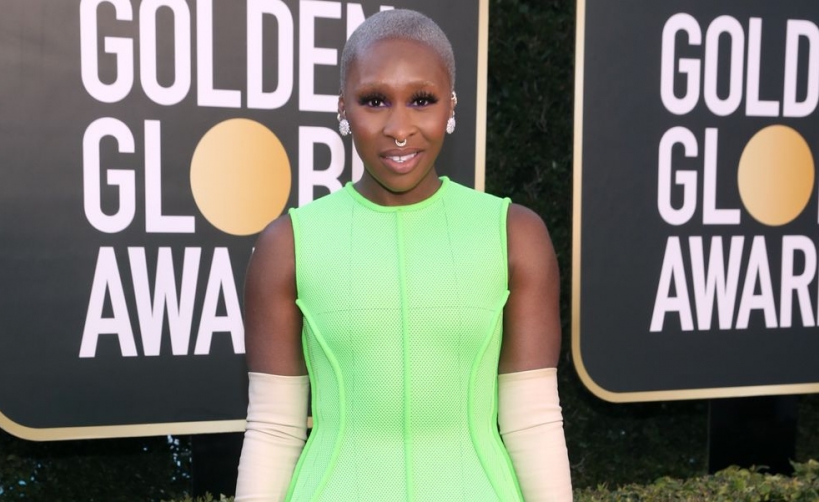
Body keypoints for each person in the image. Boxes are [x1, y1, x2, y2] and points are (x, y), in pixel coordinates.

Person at [234, 9, 572, 502]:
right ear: (343, 108)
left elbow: (533, 423)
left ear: (451, 104)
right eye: (375, 100)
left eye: (421, 100)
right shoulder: (288, 244)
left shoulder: (514, 235)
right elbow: (274, 430)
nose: (399, 128)